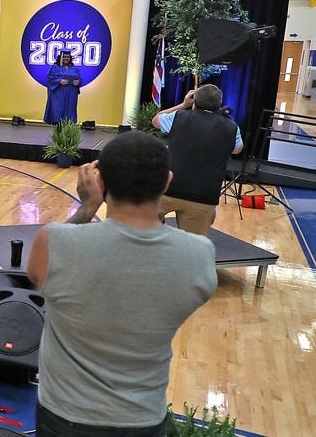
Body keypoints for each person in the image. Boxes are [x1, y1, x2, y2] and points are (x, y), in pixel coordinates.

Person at [27, 131, 217, 436]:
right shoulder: (199, 256)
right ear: (167, 181)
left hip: (64, 415)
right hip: (142, 419)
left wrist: (88, 208)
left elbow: (37, 274)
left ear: (100, 183)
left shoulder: (54, 242)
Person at [151, 84, 244, 235]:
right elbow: (237, 149)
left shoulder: (178, 117)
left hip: (167, 189)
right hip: (203, 196)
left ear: (194, 101)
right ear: (219, 104)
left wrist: (183, 105)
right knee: (192, 248)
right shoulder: (232, 127)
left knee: (143, 232)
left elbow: (156, 121)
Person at [43, 50, 81, 125]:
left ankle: (68, 131)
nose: (66, 58)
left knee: (70, 113)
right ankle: (58, 130)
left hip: (71, 94)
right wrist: (59, 81)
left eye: (68, 57)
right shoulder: (55, 67)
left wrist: (78, 82)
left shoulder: (74, 68)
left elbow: (79, 78)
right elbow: (50, 78)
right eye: (64, 57)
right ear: (60, 58)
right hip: (59, 94)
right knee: (58, 113)